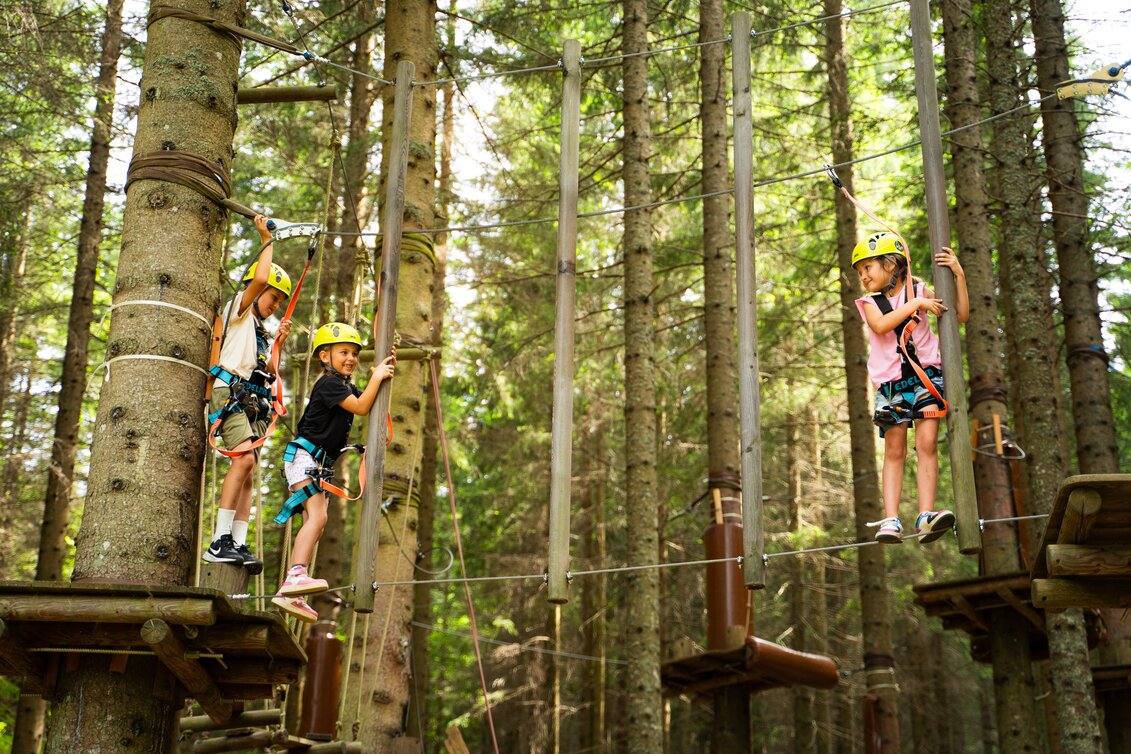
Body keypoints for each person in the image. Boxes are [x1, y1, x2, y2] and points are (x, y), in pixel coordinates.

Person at [272, 322, 396, 623]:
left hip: (317, 463)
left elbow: (369, 398)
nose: (351, 358)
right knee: (318, 517)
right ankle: (295, 576)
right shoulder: (328, 385)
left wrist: (384, 367)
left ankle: (291, 592)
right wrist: (376, 376)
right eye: (344, 352)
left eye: (354, 353)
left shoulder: (344, 386)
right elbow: (362, 406)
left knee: (317, 520)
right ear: (325, 356)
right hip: (305, 457)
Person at [852, 231, 968, 544]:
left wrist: (958, 275)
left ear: (891, 264)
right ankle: (891, 519)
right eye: (860, 271)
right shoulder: (870, 303)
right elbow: (881, 325)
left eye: (868, 267)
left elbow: (959, 315)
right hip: (892, 385)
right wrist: (917, 303)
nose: (864, 276)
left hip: (926, 378)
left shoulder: (919, 290)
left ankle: (925, 516)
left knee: (927, 444)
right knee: (895, 450)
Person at [203, 215, 292, 573]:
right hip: (228, 393)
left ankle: (237, 541)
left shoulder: (259, 331)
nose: (275, 304)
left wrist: (279, 342)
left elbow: (270, 370)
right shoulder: (237, 310)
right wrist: (266, 239)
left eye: (280, 300)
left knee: (250, 468)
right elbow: (259, 277)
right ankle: (219, 541)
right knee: (243, 461)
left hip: (250, 399)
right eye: (273, 296)